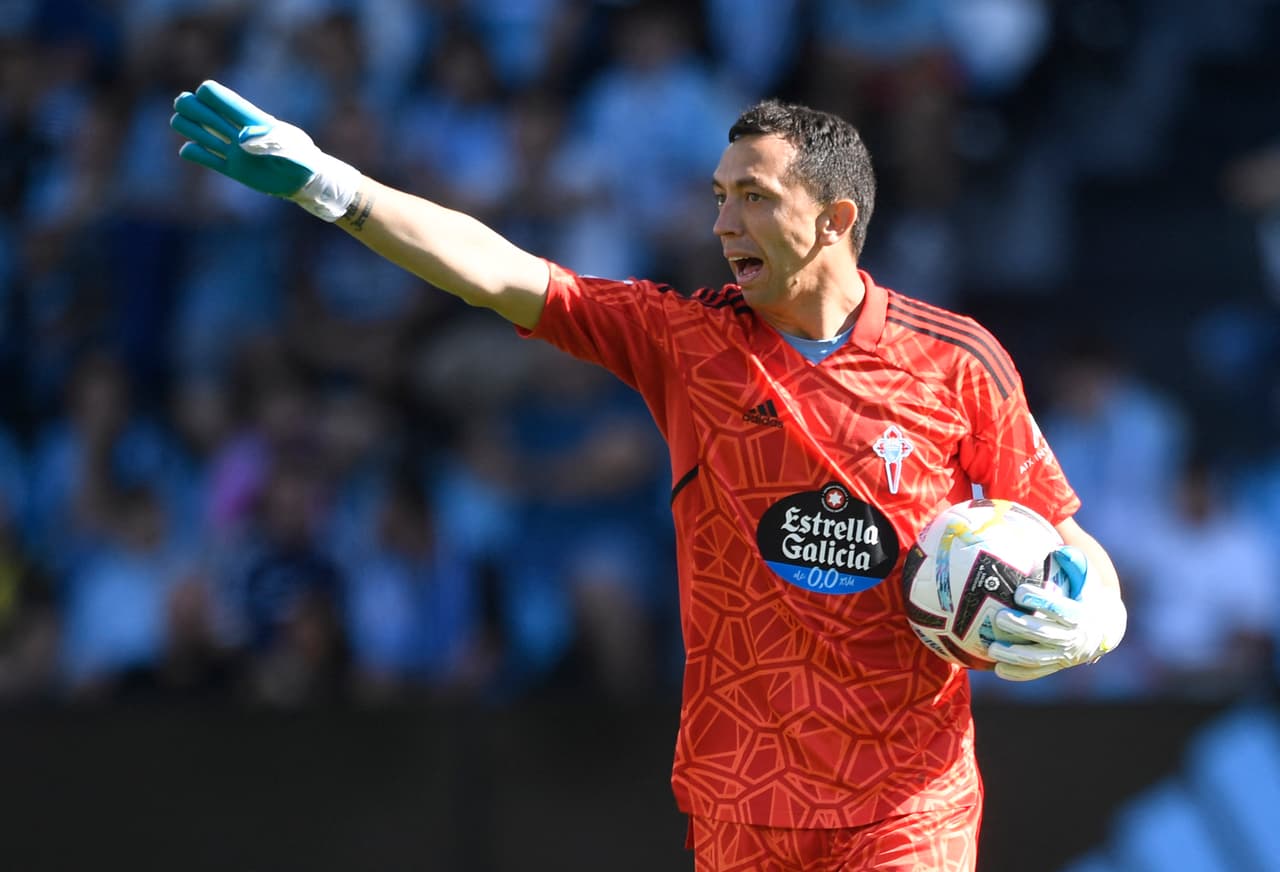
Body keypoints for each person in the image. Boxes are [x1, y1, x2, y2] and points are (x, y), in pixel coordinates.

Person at [169, 80, 1128, 871]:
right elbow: (498, 271)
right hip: (739, 800)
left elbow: (1064, 533)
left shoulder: (955, 362)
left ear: (834, 218)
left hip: (906, 803)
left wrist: (1098, 620)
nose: (722, 222)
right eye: (718, 196)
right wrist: (330, 185)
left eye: (752, 195)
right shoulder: (687, 341)